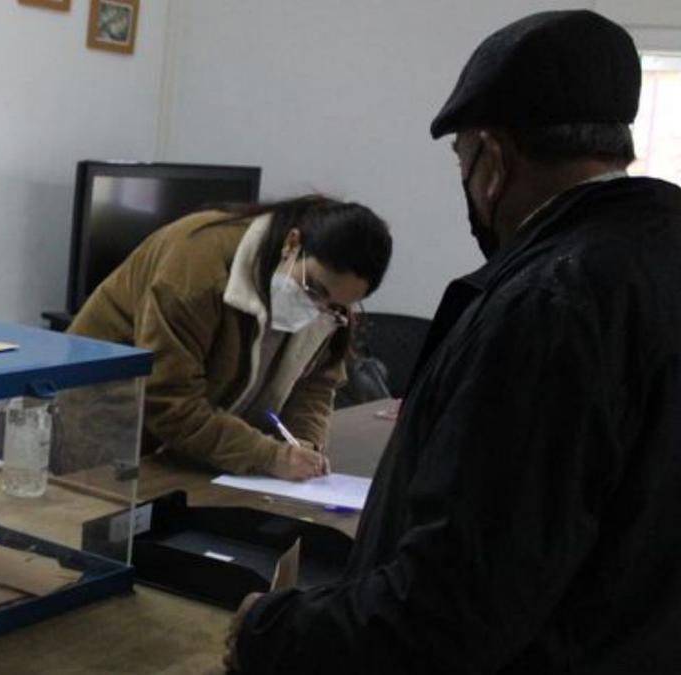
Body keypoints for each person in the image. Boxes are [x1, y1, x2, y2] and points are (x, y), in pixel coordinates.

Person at [225, 10, 681, 673]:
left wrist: (269, 632)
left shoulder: (548, 308)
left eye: (460, 158)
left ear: (491, 161)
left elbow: (447, 610)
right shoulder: (658, 258)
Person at [68, 196, 392, 480]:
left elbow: (316, 381)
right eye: (314, 290)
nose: (316, 308)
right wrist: (269, 456)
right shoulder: (195, 268)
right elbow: (168, 400)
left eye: (333, 306)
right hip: (107, 427)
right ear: (292, 243)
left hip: (197, 450)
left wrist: (303, 442)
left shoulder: (326, 304)